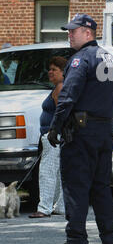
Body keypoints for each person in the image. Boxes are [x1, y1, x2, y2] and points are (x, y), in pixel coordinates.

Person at [48, 13, 113, 244]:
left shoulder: (80, 59)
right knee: (101, 187)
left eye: (73, 31)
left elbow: (68, 96)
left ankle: (76, 240)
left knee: (76, 186)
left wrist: (55, 127)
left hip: (82, 132)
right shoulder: (108, 57)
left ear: (87, 33)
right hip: (104, 131)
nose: (69, 35)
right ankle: (109, 240)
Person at [29, 56, 67, 218]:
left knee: (47, 172)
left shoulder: (60, 88)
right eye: (49, 69)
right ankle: (60, 206)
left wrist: (54, 131)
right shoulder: (60, 87)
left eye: (54, 70)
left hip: (53, 136)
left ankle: (44, 208)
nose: (50, 72)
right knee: (59, 173)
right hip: (57, 136)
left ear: (63, 72)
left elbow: (61, 111)